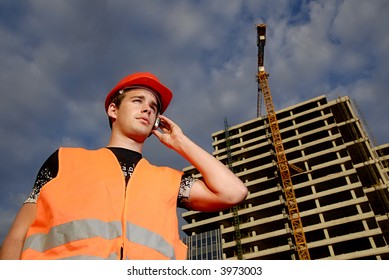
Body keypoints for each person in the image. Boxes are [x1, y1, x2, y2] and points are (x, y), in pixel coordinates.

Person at [0, 72, 247, 260]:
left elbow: (233, 192)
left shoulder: (170, 180)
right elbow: (18, 234)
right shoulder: (63, 160)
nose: (147, 109)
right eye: (138, 100)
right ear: (113, 109)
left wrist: (180, 142)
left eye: (153, 107)